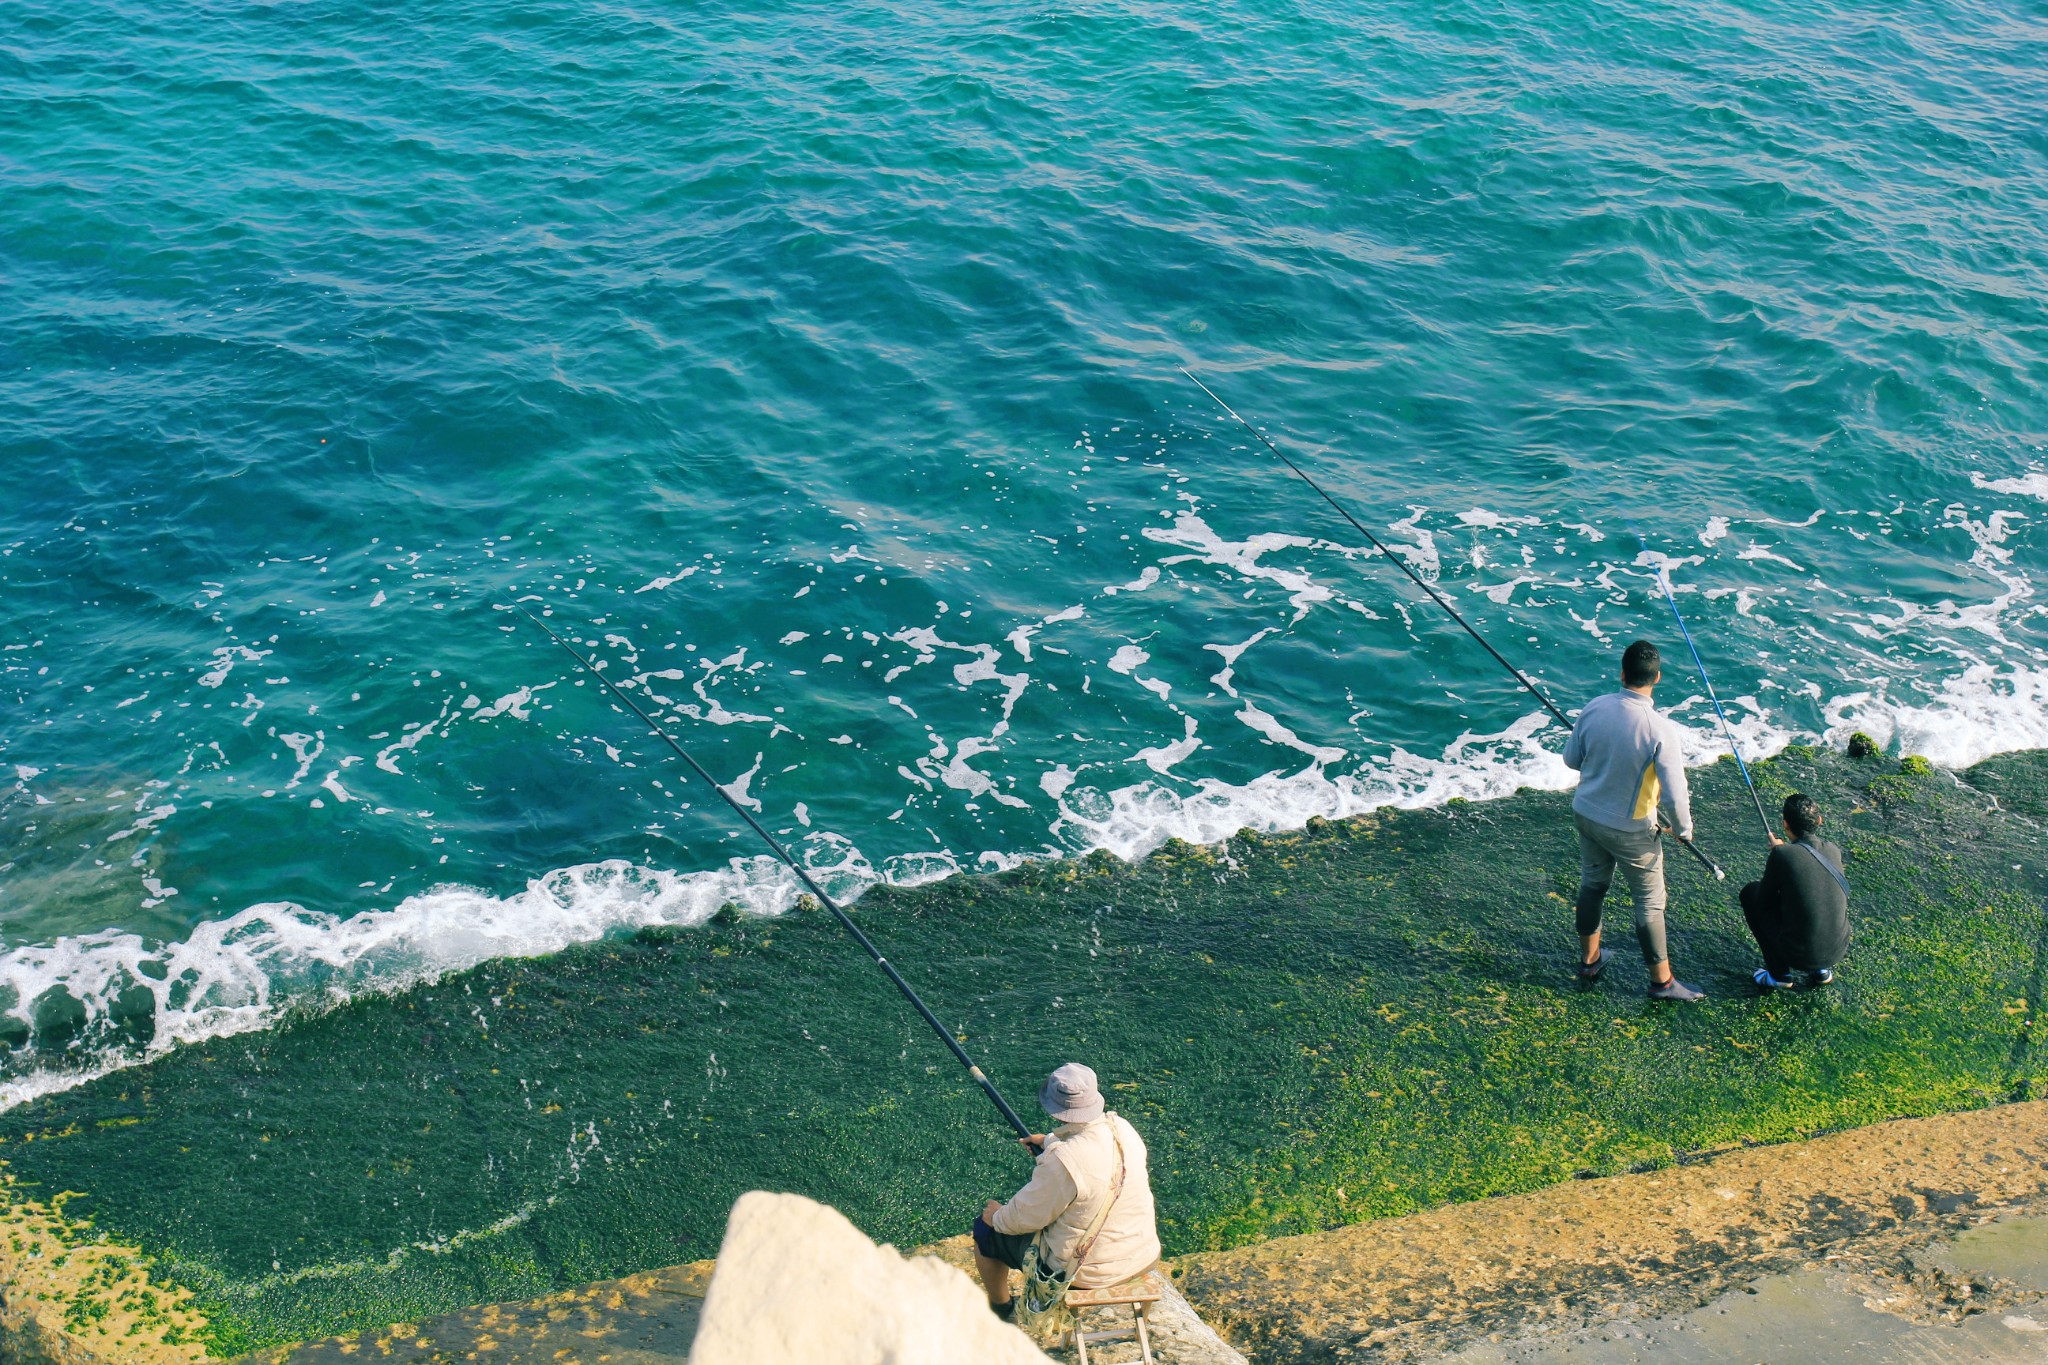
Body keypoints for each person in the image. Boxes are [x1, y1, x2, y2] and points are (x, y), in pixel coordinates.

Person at [1561, 640, 1705, 1001]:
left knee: (1593, 885)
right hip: (1631, 828)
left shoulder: (1594, 708)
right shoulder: (1661, 729)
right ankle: (1662, 982)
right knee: (1649, 901)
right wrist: (1683, 830)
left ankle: (1590, 960)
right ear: (1656, 678)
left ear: (1622, 674)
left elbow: (1572, 761)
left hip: (1586, 813)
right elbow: (1674, 793)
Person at [972, 1062, 1161, 1320]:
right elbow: (1094, 1156)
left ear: (1054, 1107)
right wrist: (1050, 1141)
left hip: (1088, 1274)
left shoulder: (1062, 1162)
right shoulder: (1123, 1128)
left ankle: (1002, 1309)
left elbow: (1023, 1219)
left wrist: (995, 1217)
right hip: (1144, 1256)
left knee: (985, 1233)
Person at [1742, 792, 1850, 989]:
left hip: (1798, 954)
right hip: (1836, 951)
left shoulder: (1782, 854)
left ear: (1785, 825)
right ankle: (1821, 971)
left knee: (1750, 893)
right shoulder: (1833, 850)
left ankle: (1779, 974)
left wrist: (1779, 852)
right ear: (1819, 820)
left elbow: (1763, 901)